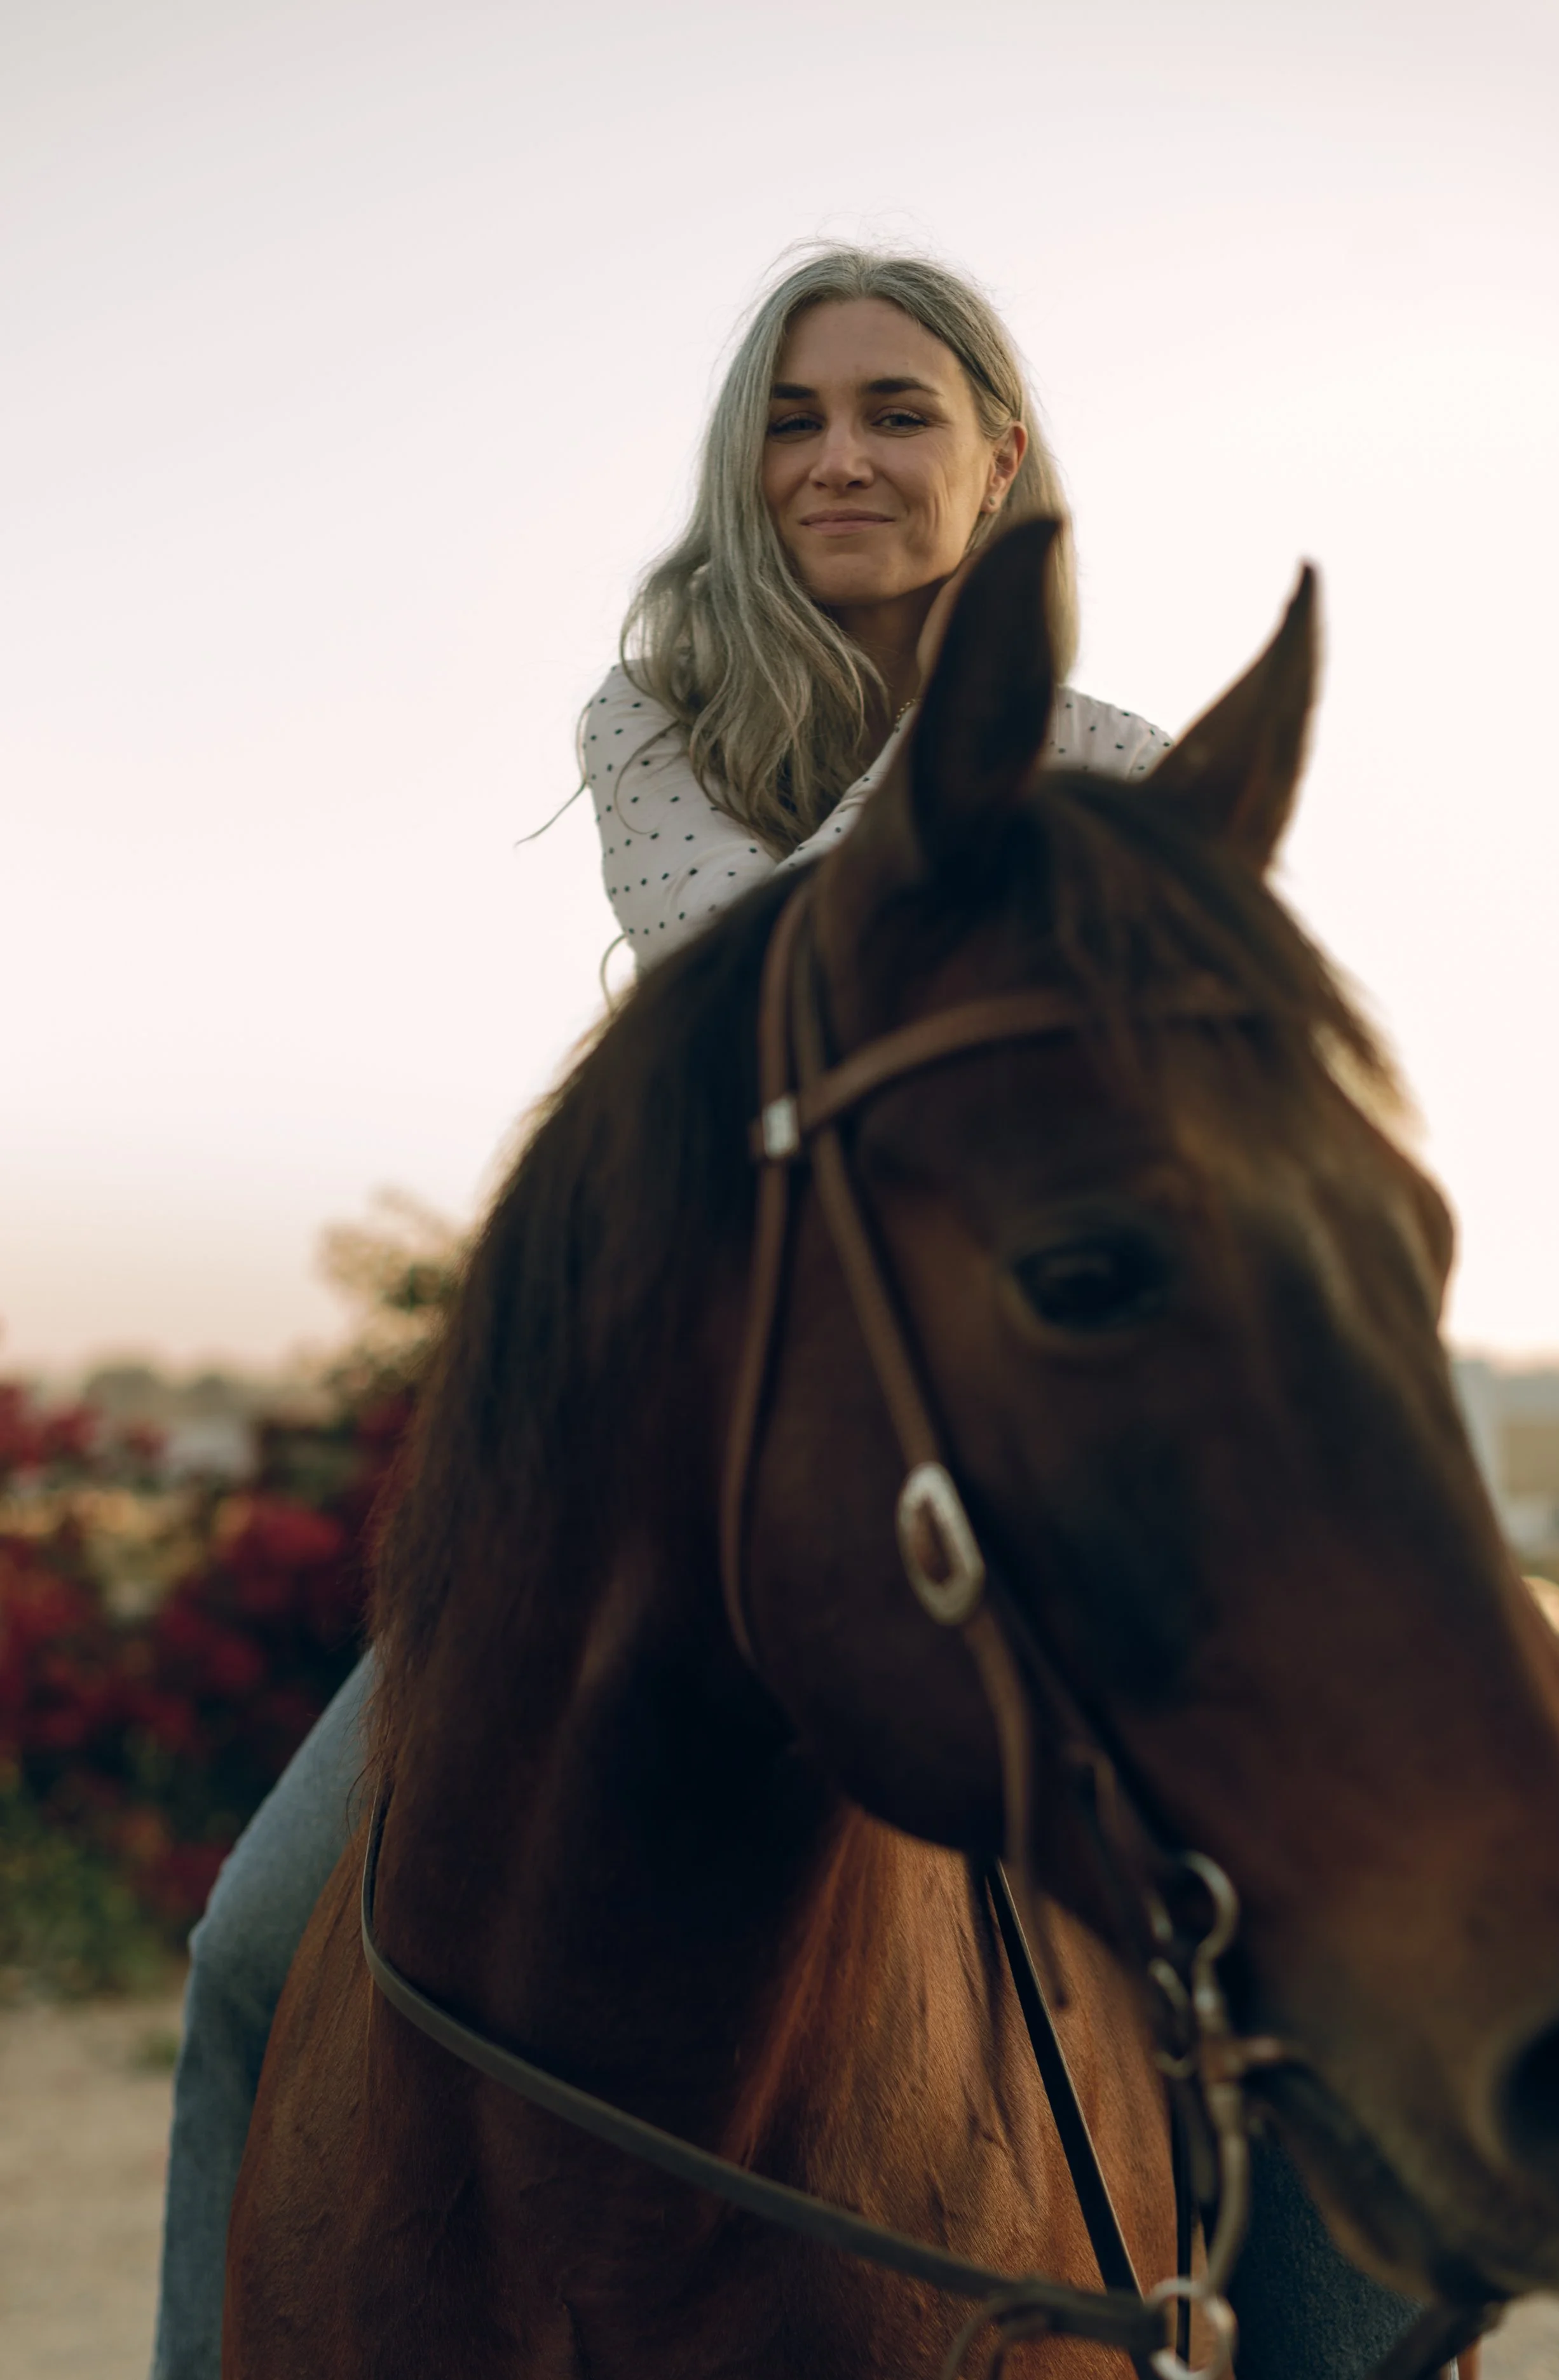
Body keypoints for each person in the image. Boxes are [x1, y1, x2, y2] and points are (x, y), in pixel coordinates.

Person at [150, 246, 1420, 2380]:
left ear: (1000, 455)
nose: (832, 455)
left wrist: (1005, 720)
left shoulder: (1104, 756)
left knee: (1293, 1931)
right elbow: (740, 978)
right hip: (660, 1467)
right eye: (791, 416)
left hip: (1007, 1436)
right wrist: (963, 738)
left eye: (896, 413)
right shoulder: (657, 718)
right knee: (258, 1936)